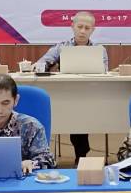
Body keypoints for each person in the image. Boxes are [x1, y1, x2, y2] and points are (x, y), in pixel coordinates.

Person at [35, 11, 108, 164]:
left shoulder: (99, 49)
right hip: (65, 94)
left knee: (82, 113)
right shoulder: (61, 47)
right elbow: (41, 63)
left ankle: (81, 155)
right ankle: (76, 156)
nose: (82, 31)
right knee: (75, 113)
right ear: (72, 26)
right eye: (79, 27)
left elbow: (104, 72)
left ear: (93, 30)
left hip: (90, 94)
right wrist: (47, 65)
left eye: (87, 28)